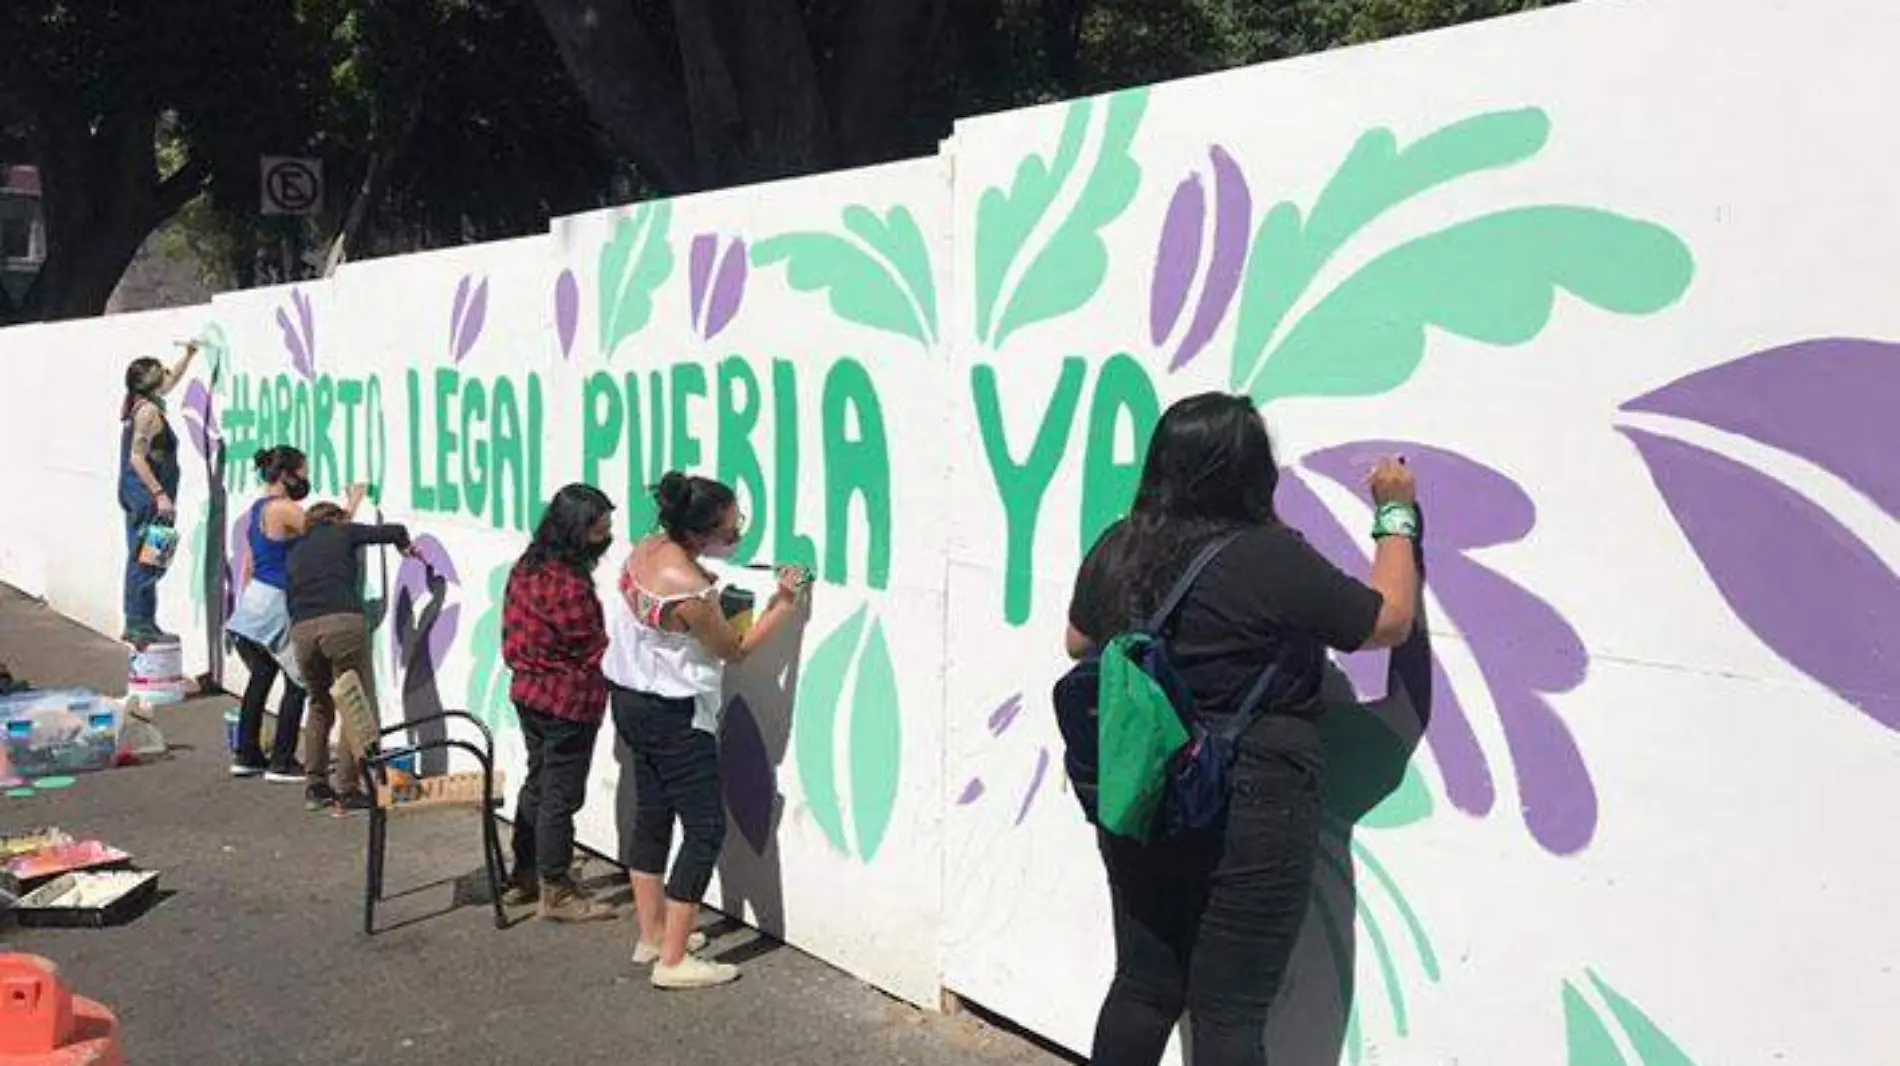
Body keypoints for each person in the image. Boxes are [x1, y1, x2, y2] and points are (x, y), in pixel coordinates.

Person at [1065, 394, 1422, 1066]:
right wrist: (1394, 513)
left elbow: (1078, 640)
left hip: (1141, 789)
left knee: (1143, 988)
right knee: (1229, 1013)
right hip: (1251, 797)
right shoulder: (1268, 558)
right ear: (1254, 471)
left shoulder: (1119, 546)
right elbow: (1388, 622)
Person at [605, 472, 804, 989]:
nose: (736, 538)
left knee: (651, 814)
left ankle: (652, 934)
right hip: (674, 712)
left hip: (629, 698)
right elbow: (733, 651)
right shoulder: (691, 590)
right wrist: (784, 605)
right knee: (705, 828)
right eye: (731, 532)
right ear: (699, 534)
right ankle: (672, 962)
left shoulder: (645, 550)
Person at [500, 483, 618, 923]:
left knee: (537, 783)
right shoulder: (568, 583)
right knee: (559, 796)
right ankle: (557, 890)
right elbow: (590, 643)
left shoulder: (528, 566)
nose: (606, 536)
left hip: (529, 691)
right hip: (566, 699)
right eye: (600, 529)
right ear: (577, 531)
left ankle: (525, 876)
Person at [225, 446, 366, 781]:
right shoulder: (284, 508)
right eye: (303, 473)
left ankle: (247, 753)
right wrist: (354, 503)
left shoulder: (258, 509)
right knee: (299, 681)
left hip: (255, 602)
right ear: (287, 476)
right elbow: (328, 532)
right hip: (275, 604)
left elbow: (249, 561)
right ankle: (283, 760)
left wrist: (243, 601)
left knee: (261, 677)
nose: (306, 481)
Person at [288, 501, 410, 813]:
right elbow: (394, 531)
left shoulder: (296, 548)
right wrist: (406, 547)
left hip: (302, 631)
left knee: (319, 704)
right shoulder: (343, 531)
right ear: (336, 518)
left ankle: (315, 785)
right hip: (343, 623)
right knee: (356, 705)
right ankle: (347, 787)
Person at [118, 342, 198, 644]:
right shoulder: (149, 411)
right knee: (149, 558)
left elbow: (171, 382)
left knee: (151, 556)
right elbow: (137, 458)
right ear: (150, 382)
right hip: (148, 497)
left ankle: (143, 620)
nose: (166, 374)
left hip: (141, 495)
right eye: (160, 371)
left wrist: (189, 356)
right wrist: (160, 494)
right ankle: (138, 622)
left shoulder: (144, 402)